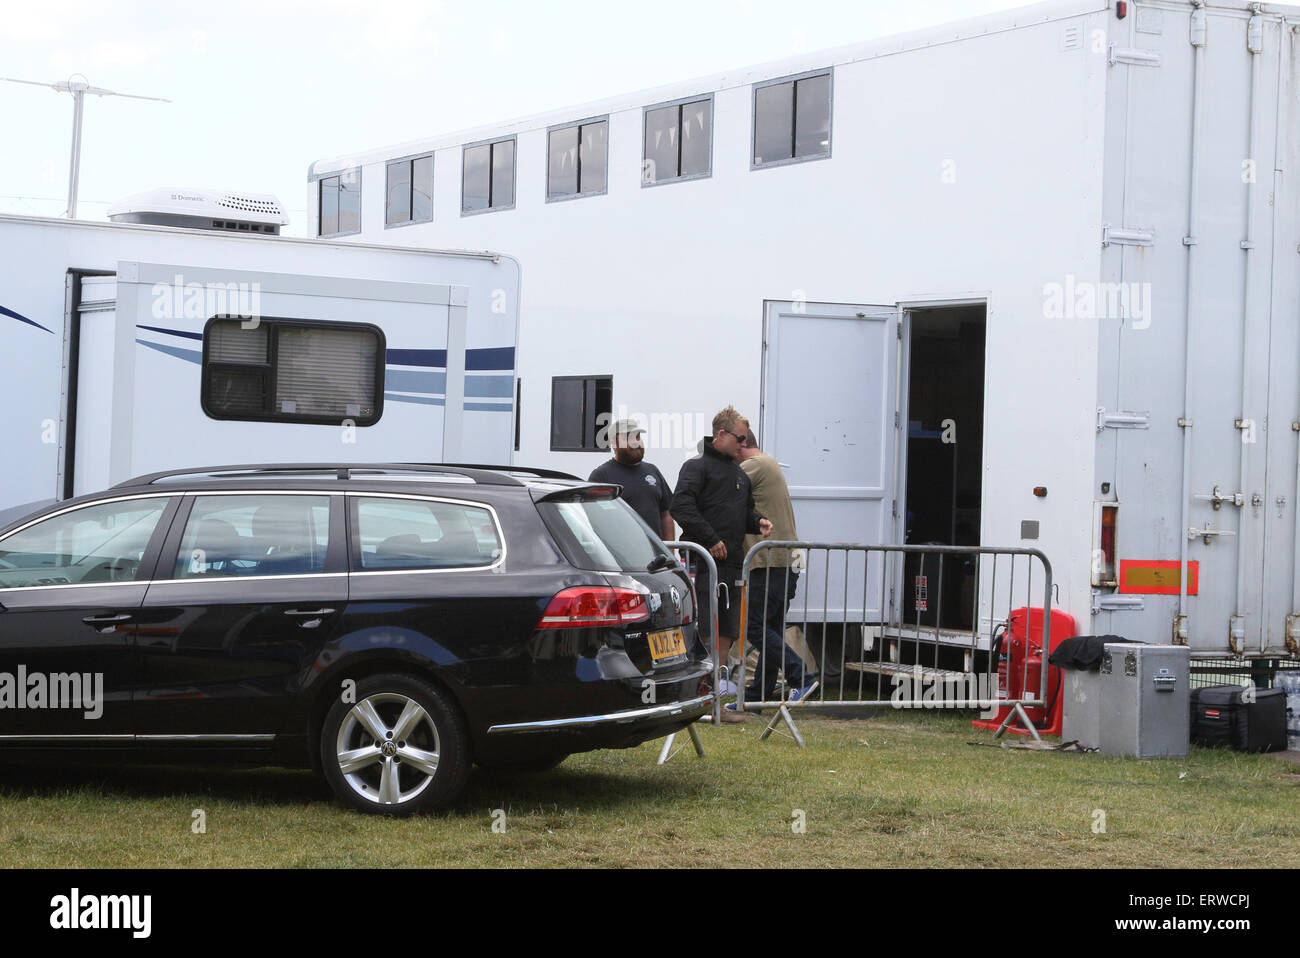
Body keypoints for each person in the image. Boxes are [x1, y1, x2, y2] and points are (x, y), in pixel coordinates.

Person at [671, 406, 772, 716]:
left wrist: (758, 522)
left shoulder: (739, 474)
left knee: (725, 630)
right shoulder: (696, 467)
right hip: (702, 564)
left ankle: (713, 700)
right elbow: (681, 506)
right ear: (722, 435)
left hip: (730, 566)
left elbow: (741, 514)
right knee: (703, 629)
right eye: (739, 438)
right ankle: (693, 698)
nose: (743, 444)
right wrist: (710, 540)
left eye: (745, 439)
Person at [734, 419, 817, 706]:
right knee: (770, 628)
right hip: (784, 560)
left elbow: (722, 492)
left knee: (755, 629)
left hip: (770, 560)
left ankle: (801, 677)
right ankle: (757, 698)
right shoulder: (767, 464)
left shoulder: (752, 465)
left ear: (741, 443)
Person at [588, 420, 674, 540]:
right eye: (628, 438)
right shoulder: (601, 476)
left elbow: (666, 515)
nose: (635, 442)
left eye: (637, 437)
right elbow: (593, 520)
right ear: (614, 444)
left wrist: (669, 550)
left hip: (656, 555)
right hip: (620, 556)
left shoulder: (653, 471)